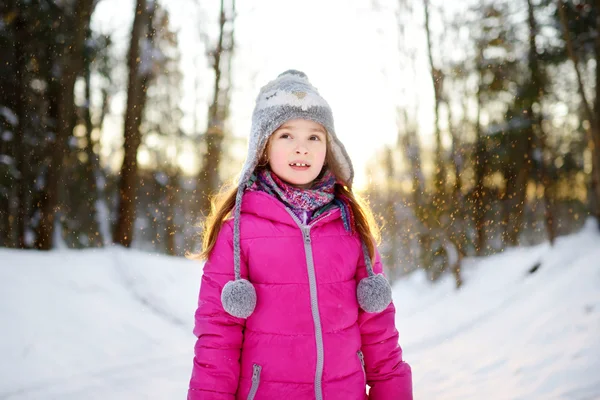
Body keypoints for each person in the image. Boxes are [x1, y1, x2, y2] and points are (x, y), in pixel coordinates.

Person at [188, 70, 412, 400]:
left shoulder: (349, 224)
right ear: (263, 147)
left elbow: (380, 334)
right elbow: (216, 340)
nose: (301, 149)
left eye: (314, 137)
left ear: (329, 147)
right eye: (286, 136)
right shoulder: (238, 230)